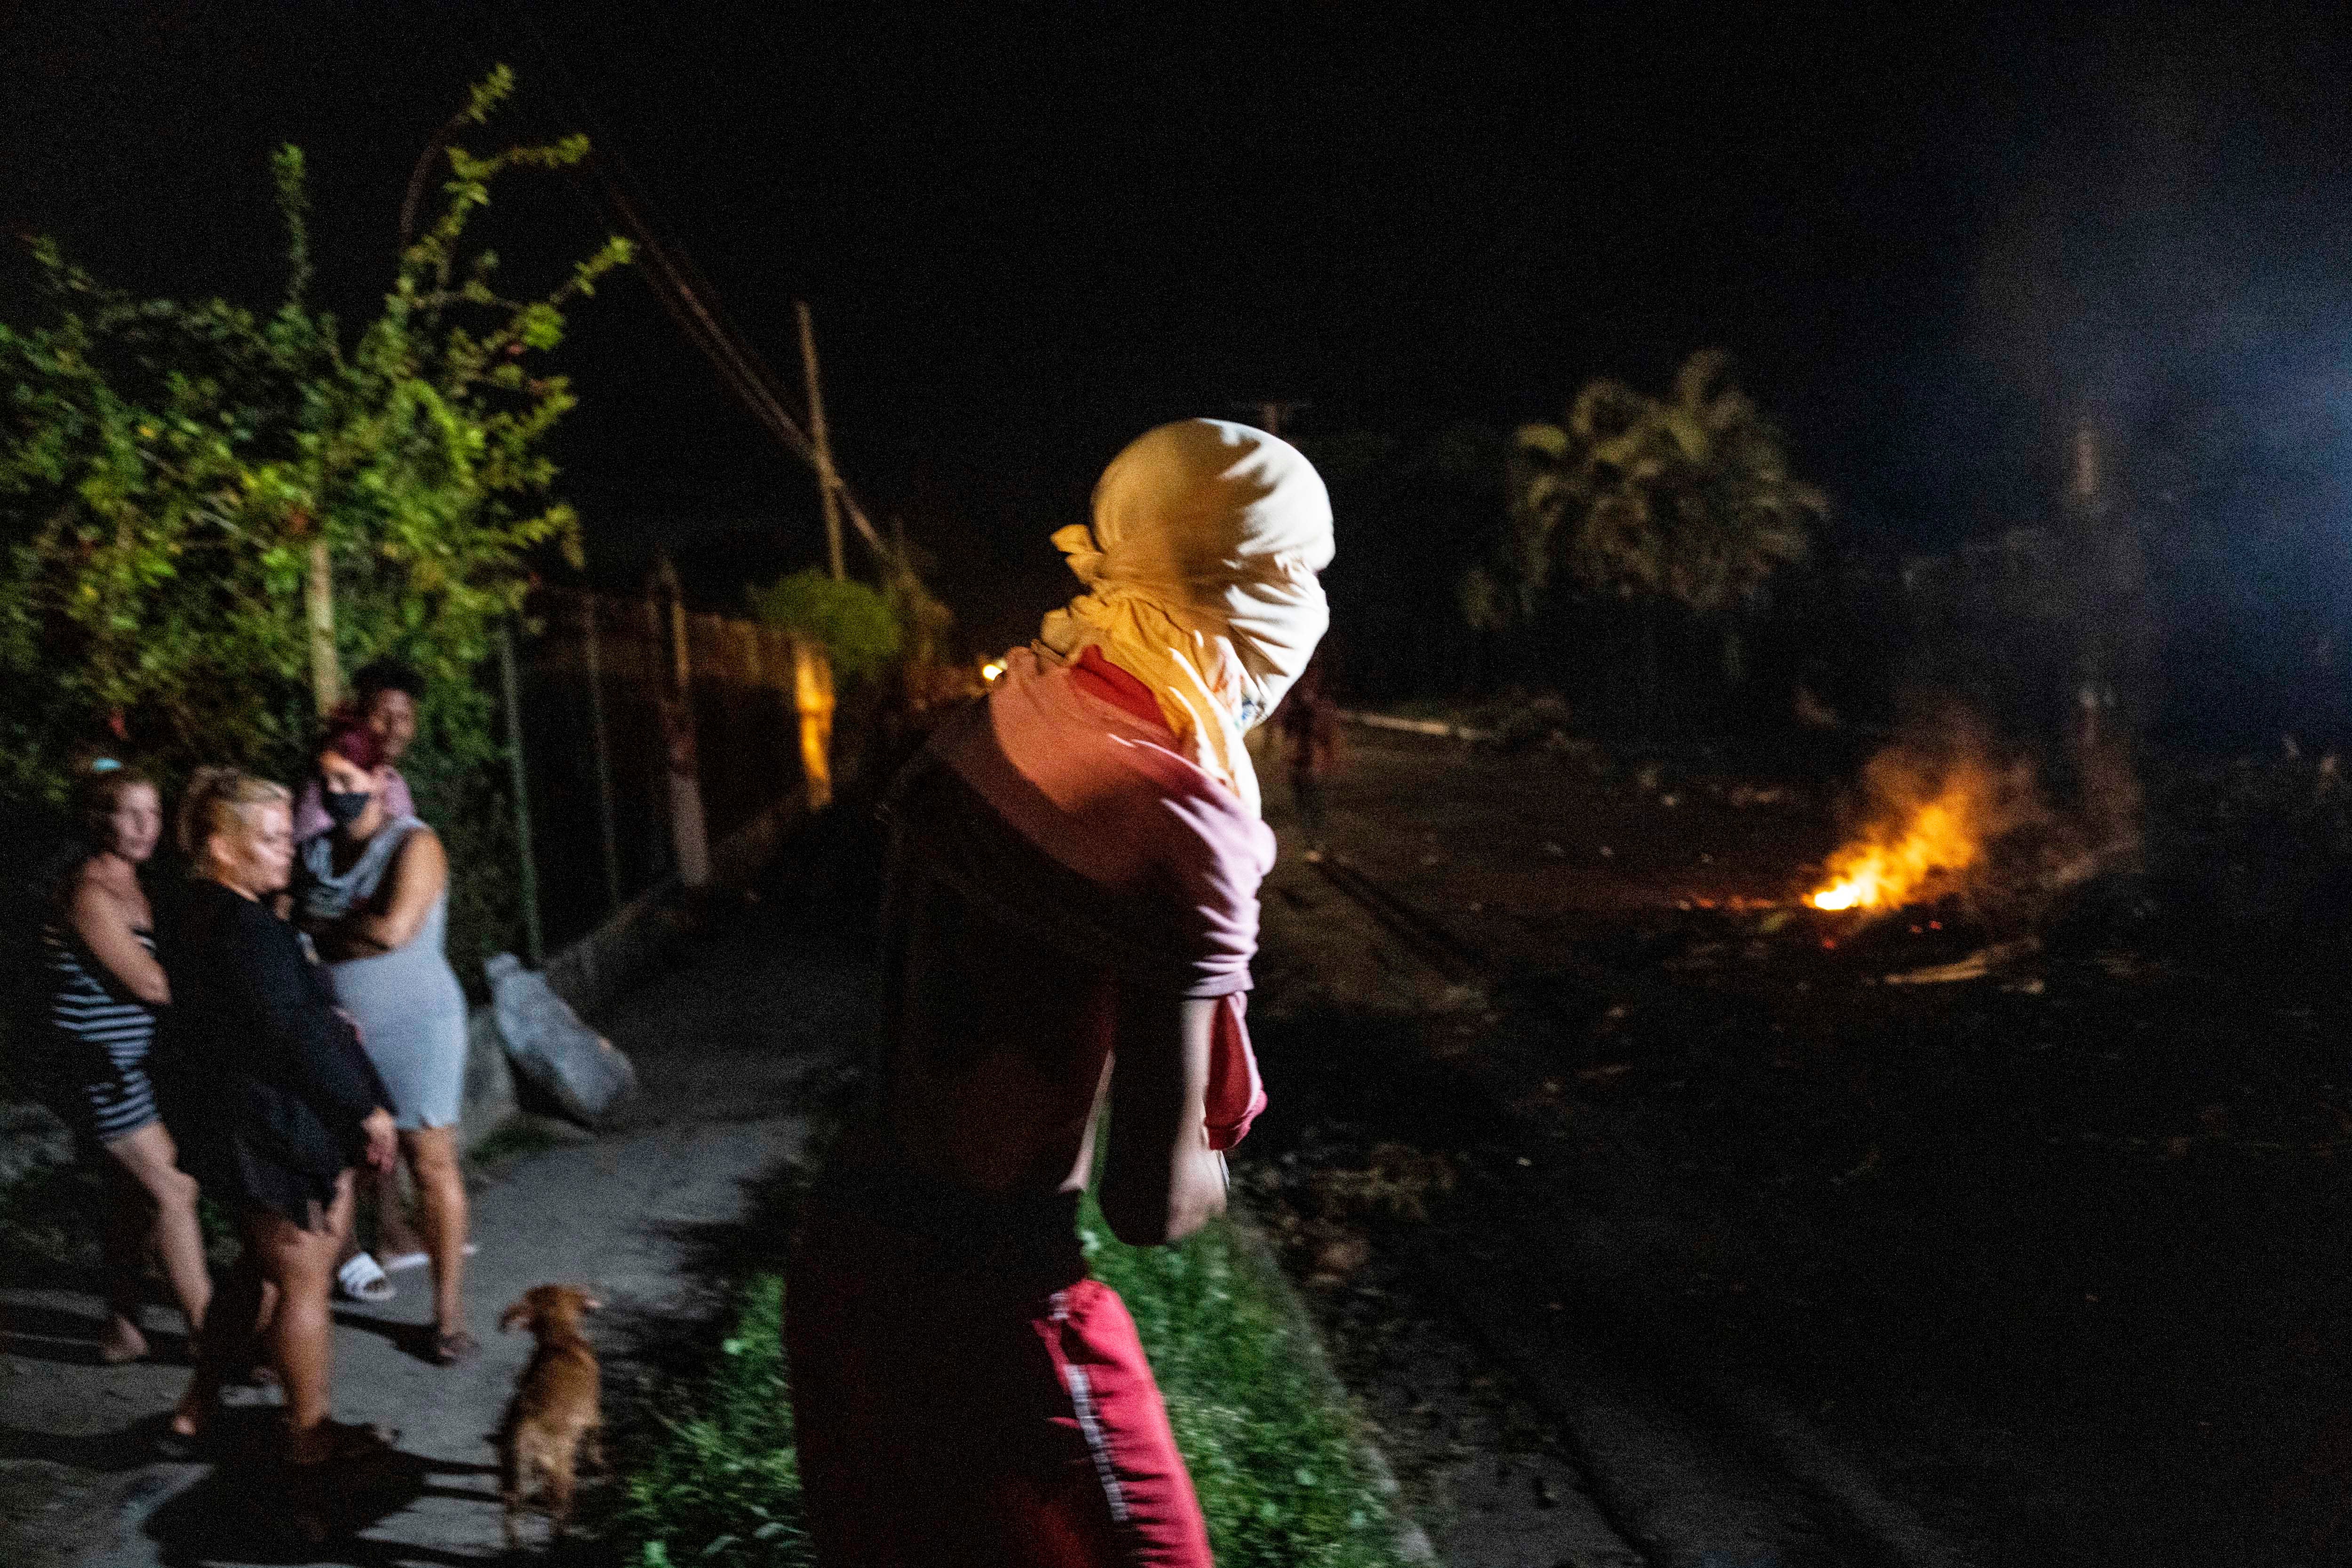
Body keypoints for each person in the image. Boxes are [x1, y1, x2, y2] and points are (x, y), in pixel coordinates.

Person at [785, 418, 1333, 1566]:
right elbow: (1155, 1202)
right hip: (993, 1307)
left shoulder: (1013, 703)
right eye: (1302, 574)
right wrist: (1213, 1155)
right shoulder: (1176, 814)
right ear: (1249, 584)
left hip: (843, 1262)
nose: (1312, 610)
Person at [159, 768, 398, 1464]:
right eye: (267, 839)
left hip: (230, 1117)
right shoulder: (247, 928)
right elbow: (294, 1031)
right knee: (301, 1279)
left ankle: (198, 1405)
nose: (286, 849)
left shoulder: (194, 911)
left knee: (256, 1268)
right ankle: (310, 1451)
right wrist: (366, 1109)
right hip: (271, 1125)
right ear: (222, 846)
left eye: (284, 835)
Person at [293, 723, 477, 1364]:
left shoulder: (415, 844)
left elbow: (392, 931)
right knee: (333, 1167)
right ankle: (303, 1309)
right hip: (339, 1034)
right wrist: (331, 929)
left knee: (431, 1163)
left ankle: (447, 1318)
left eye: (350, 779)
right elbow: (296, 926)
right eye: (328, 781)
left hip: (417, 1026)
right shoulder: (315, 851)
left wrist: (318, 930)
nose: (338, 792)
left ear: (379, 780)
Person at [40, 760, 210, 1363]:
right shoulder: (90, 891)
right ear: (101, 819)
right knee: (174, 1187)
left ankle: (123, 1327)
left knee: (135, 1200)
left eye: (155, 813)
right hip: (100, 1069)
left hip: (136, 1065)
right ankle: (209, 1339)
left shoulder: (137, 883)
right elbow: (151, 985)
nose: (146, 826)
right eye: (130, 813)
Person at [292, 661, 428, 1298]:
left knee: (383, 1113)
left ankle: (395, 1235)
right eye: (384, 713)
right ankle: (346, 1254)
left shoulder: (394, 786)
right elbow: (312, 887)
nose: (396, 726)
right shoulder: (330, 784)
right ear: (360, 712)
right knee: (347, 1116)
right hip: (332, 976)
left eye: (406, 715)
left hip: (381, 977)